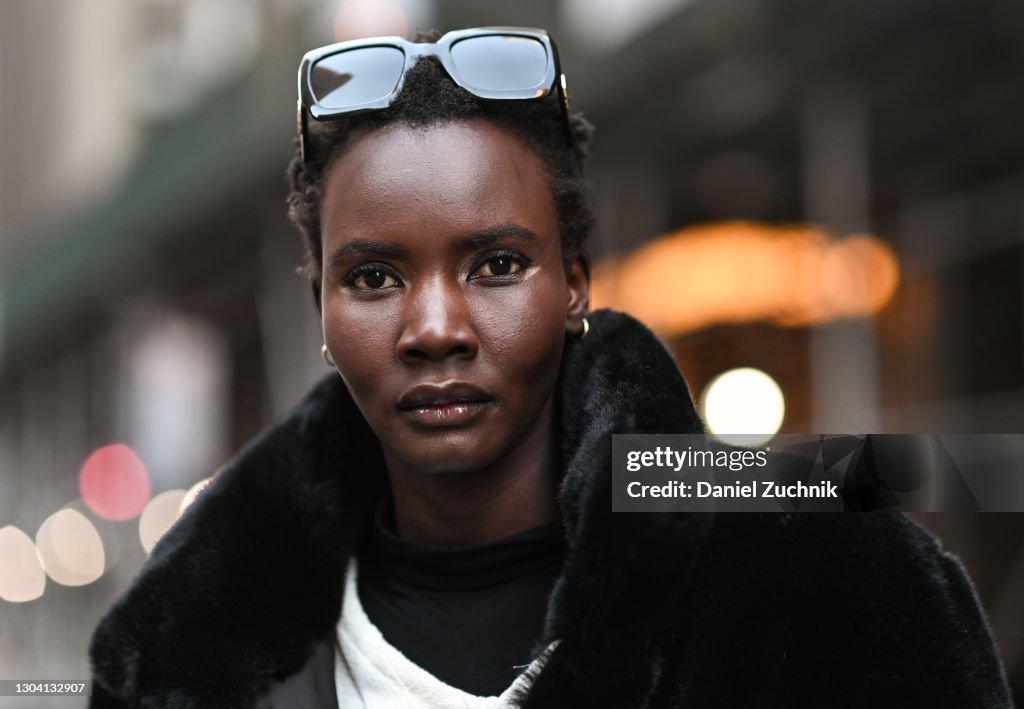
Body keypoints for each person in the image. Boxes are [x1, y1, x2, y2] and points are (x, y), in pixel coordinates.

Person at [87, 27, 1013, 708]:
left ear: (575, 286)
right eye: (372, 276)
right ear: (322, 312)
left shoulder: (829, 575)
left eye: (496, 265)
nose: (436, 327)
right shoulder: (173, 658)